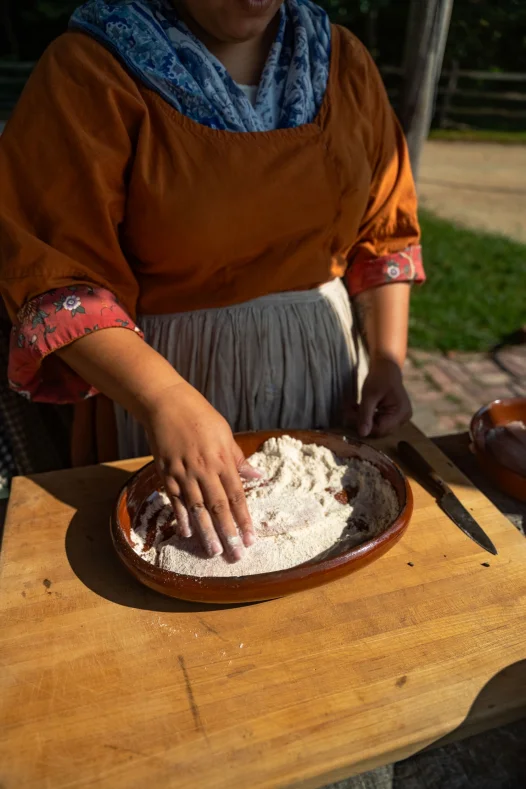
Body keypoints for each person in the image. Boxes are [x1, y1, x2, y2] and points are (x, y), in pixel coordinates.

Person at [0, 0, 425, 562]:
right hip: (162, 386)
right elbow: (56, 279)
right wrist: (164, 399)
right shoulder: (91, 70)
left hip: (322, 381)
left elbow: (384, 235)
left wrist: (388, 362)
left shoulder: (341, 61)